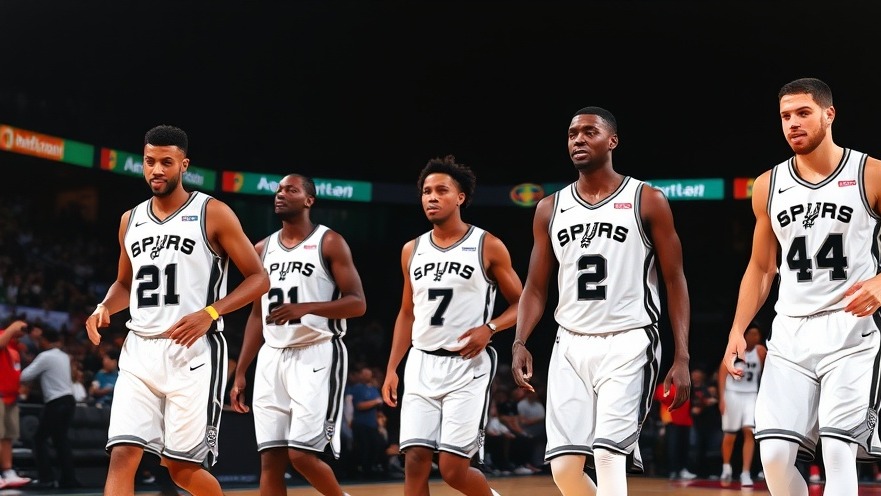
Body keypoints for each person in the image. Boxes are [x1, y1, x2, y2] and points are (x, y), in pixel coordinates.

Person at [512, 106, 692, 496]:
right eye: (573, 133)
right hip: (570, 343)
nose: (578, 139)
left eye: (589, 132)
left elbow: (675, 280)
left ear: (612, 141)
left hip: (631, 339)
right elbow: (536, 287)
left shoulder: (647, 199)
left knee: (609, 454)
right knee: (563, 469)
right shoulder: (549, 208)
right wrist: (520, 340)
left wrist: (681, 356)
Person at [85, 124, 270, 496]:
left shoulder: (212, 212)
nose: (157, 169)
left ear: (183, 165)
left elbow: (258, 279)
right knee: (123, 454)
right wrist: (104, 306)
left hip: (193, 352)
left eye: (166, 162)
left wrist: (211, 313)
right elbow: (125, 284)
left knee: (181, 469)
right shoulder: (130, 220)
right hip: (140, 349)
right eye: (150, 161)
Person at [723, 77, 881, 496]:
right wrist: (738, 328)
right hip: (790, 333)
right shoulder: (768, 184)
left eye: (803, 113)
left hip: (851, 330)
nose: (793, 123)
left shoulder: (871, 173)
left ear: (829, 114)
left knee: (838, 453)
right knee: (773, 458)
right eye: (785, 116)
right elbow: (760, 268)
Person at [382, 155, 522, 496]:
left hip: (467, 366)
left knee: (452, 469)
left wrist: (490, 327)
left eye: (441, 190)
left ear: (460, 197)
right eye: (427, 191)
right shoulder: (411, 249)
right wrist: (392, 369)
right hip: (421, 362)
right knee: (414, 459)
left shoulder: (486, 244)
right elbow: (406, 313)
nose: (431, 197)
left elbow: (524, 302)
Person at [230, 172, 366, 496]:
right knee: (270, 461)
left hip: (316, 352)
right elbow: (255, 315)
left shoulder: (329, 241)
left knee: (302, 455)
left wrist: (306, 307)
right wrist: (240, 371)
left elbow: (357, 303)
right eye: (278, 189)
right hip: (271, 358)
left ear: (309, 200)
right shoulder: (261, 249)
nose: (280, 194)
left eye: (290, 189)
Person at [19, 327, 80, 489]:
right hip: (69, 401)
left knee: (39, 439)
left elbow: (25, 376)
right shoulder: (64, 356)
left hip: (56, 402)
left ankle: (46, 478)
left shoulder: (45, 356)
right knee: (61, 441)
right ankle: (68, 479)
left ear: (45, 340)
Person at [718, 323, 766, 486]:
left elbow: (768, 373)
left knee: (749, 431)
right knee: (730, 435)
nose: (755, 337)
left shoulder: (760, 351)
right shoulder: (734, 349)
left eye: (757, 334)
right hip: (732, 394)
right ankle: (726, 467)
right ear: (744, 335)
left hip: (751, 394)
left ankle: (746, 472)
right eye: (751, 334)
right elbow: (722, 374)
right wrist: (722, 399)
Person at [0, 319, 31, 489]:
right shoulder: (3, 337)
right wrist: (12, 328)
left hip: (12, 397)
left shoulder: (14, 346)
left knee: (7, 437)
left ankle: (7, 472)